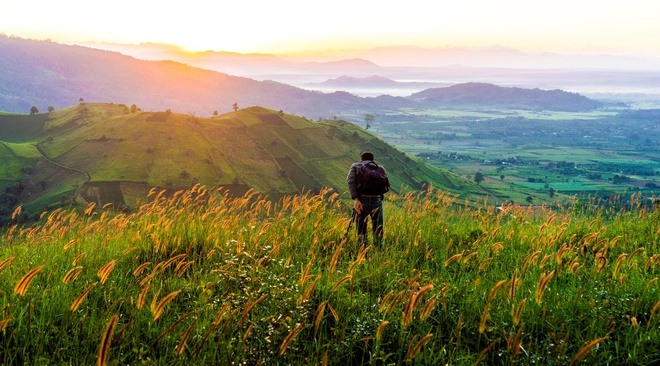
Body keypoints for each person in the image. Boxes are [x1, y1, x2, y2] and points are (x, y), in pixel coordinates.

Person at [346, 151, 390, 246]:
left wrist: (356, 199)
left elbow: (351, 182)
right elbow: (386, 185)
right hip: (377, 201)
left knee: (361, 229)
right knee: (378, 228)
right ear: (373, 160)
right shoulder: (380, 168)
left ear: (361, 160)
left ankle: (362, 250)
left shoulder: (356, 166)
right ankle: (378, 250)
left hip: (362, 201)